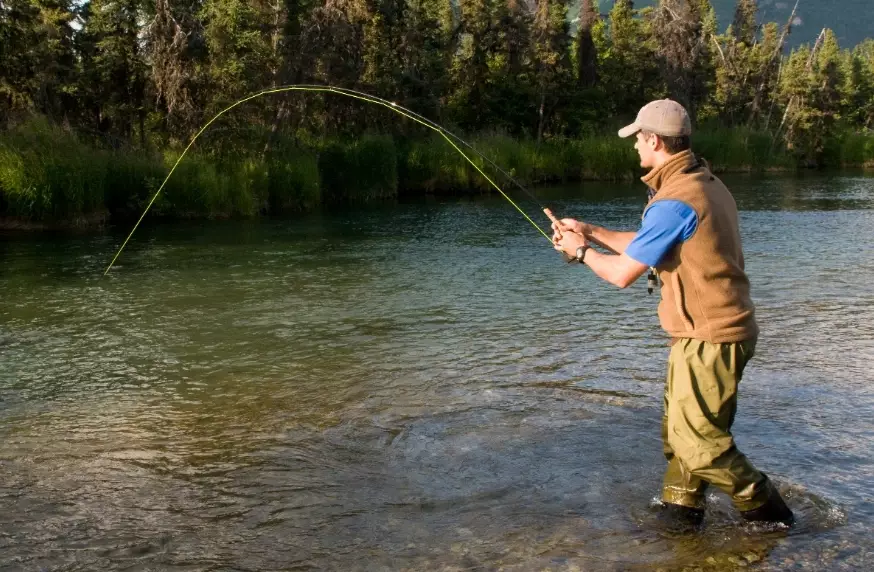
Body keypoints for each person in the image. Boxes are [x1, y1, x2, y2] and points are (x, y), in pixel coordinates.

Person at [551, 99, 794, 528]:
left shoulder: (676, 200)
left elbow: (622, 274)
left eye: (638, 139)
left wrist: (581, 251)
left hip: (711, 337)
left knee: (699, 442)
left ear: (656, 141)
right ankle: (680, 515)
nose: (634, 146)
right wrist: (591, 231)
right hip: (710, 332)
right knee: (681, 434)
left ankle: (772, 516)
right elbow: (652, 241)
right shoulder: (702, 182)